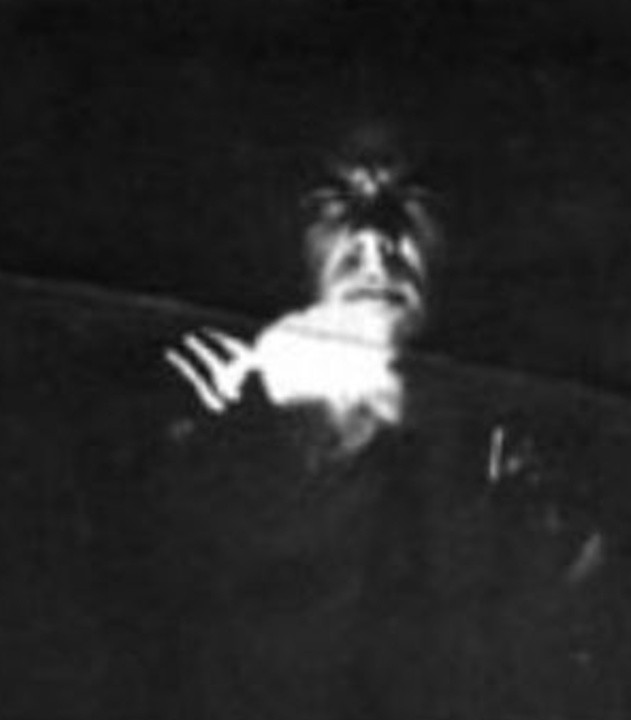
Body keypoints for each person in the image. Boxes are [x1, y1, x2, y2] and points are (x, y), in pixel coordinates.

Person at [155, 143, 604, 720]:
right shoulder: (213, 413)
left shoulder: (529, 430)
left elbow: (538, 651)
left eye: (411, 200)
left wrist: (396, 393)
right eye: (333, 202)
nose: (373, 237)